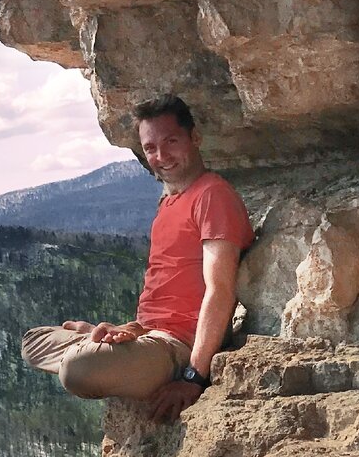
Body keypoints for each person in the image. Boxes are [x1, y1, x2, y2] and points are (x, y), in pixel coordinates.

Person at [22, 94, 254, 424]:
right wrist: (127, 332)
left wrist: (194, 376)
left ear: (194, 137)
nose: (161, 156)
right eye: (150, 148)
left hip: (178, 346)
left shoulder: (212, 195)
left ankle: (96, 350)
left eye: (171, 142)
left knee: (77, 370)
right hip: (146, 336)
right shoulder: (169, 203)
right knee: (33, 341)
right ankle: (98, 342)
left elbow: (220, 290)